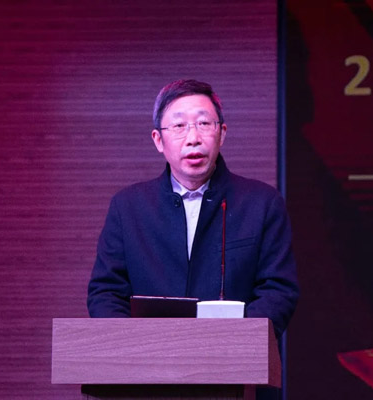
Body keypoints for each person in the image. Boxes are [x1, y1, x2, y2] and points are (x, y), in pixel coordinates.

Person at [87, 79, 299, 338]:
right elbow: (106, 293)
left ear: (222, 133)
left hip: (232, 356)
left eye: (204, 124)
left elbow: (278, 291)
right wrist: (132, 344)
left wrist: (237, 342)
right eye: (179, 126)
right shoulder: (128, 207)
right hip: (147, 356)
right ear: (158, 140)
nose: (193, 139)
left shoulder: (262, 203)